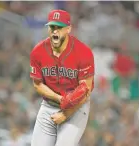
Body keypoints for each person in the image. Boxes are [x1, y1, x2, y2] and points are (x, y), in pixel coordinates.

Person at [30, 9, 95, 146]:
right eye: (52, 27)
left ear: (68, 29)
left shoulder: (83, 52)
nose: (55, 31)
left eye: (59, 27)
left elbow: (86, 90)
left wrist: (66, 114)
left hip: (76, 108)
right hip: (49, 105)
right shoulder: (38, 51)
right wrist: (60, 98)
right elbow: (37, 84)